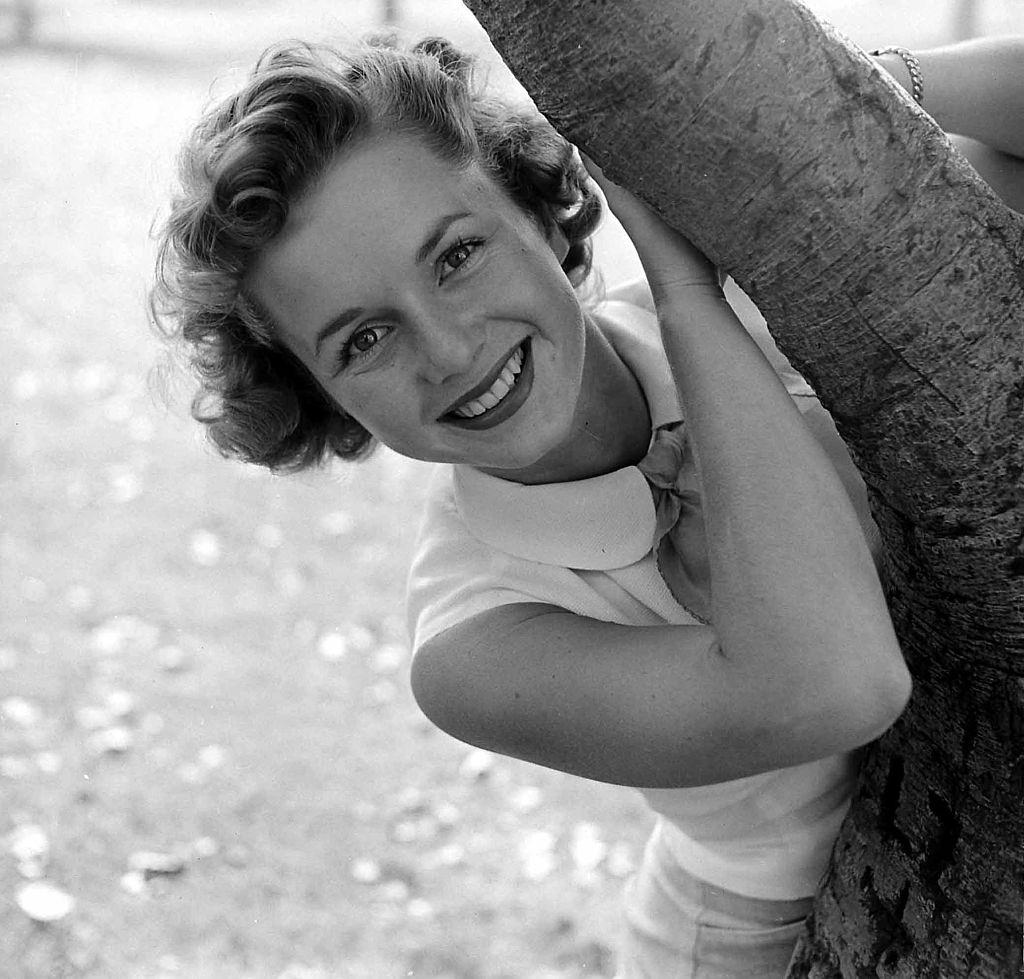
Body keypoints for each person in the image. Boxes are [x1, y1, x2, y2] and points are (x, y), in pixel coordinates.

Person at [151, 31, 1022, 978]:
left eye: (456, 256)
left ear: (539, 212)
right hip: (760, 942)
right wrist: (689, 291)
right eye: (362, 339)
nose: (446, 349)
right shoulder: (471, 645)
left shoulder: (775, 283)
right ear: (324, 398)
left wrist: (833, 116)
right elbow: (840, 683)